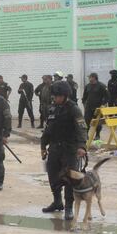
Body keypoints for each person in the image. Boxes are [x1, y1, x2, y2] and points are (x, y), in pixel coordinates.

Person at [41, 81, 87, 220]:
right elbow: (48, 129)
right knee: (53, 175)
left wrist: (81, 146)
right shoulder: (53, 108)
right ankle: (57, 202)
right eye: (55, 96)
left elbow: (82, 128)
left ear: (65, 95)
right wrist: (43, 146)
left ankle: (68, 207)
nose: (55, 98)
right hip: (54, 148)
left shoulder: (74, 109)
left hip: (69, 149)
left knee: (69, 179)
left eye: (58, 96)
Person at [82, 73, 109, 140]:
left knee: (98, 122)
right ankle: (86, 135)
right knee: (86, 121)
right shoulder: (87, 86)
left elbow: (107, 96)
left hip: (98, 108)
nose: (89, 79)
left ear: (94, 77)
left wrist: (103, 104)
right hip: (88, 107)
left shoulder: (101, 86)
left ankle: (97, 135)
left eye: (90, 77)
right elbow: (84, 97)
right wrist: (84, 104)